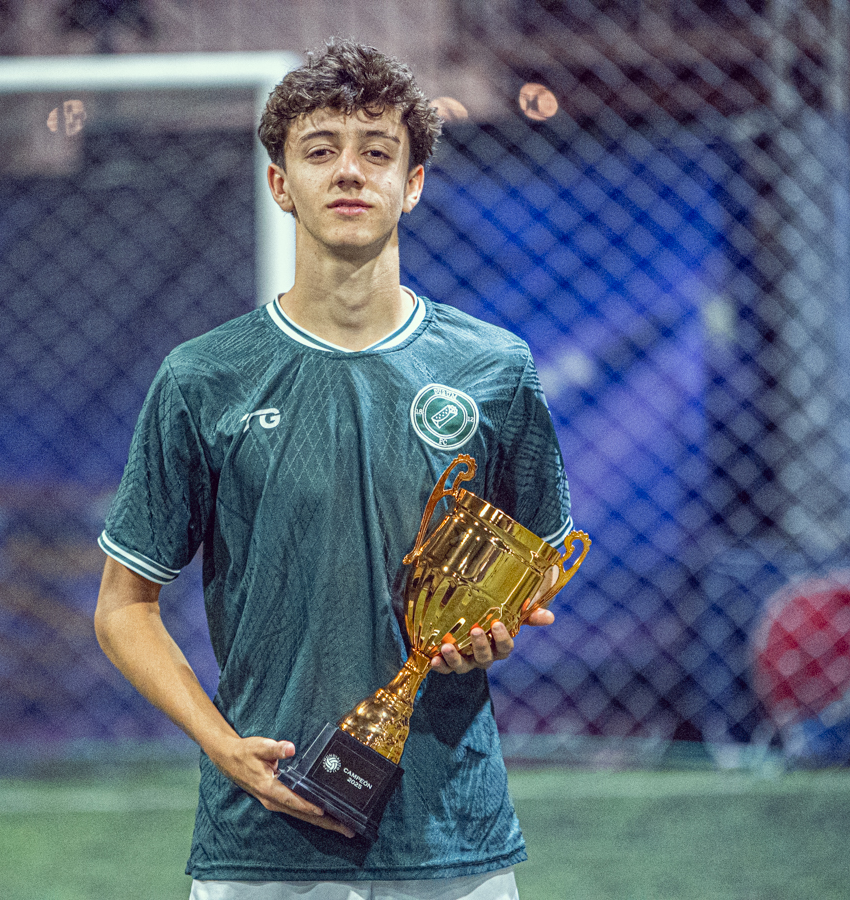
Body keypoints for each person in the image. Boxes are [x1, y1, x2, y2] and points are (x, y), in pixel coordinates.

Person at [93, 39, 573, 900]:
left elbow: (532, 567)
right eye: (321, 151)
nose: (349, 171)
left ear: (412, 184)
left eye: (376, 152)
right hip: (266, 825)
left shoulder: (494, 369)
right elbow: (123, 608)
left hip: (448, 828)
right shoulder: (204, 378)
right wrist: (223, 746)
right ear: (281, 184)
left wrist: (491, 629)